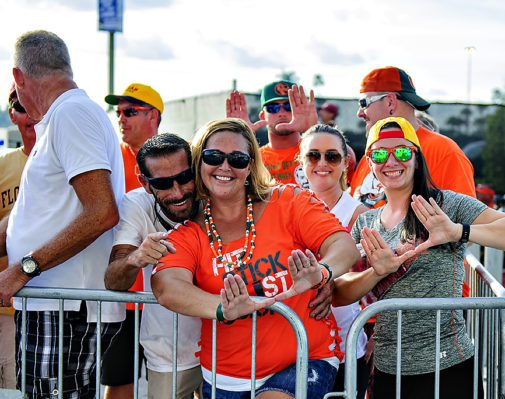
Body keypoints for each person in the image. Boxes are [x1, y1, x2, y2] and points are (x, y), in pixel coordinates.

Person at [151, 118, 360, 398]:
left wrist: (322, 272)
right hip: (225, 376)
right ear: (200, 162)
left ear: (250, 166)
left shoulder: (288, 201)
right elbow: (167, 286)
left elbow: (343, 245)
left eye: (237, 159)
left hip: (303, 358)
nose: (225, 167)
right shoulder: (189, 234)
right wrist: (223, 308)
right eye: (214, 157)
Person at [334, 117, 505, 398]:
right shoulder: (366, 222)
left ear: (416, 159)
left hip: (448, 365)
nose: (391, 161)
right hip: (387, 366)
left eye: (402, 152)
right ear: (370, 164)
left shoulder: (444, 205)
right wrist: (376, 272)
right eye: (379, 154)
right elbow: (339, 294)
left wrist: (457, 231)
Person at [0, 30, 125, 398]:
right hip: (55, 305)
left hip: (63, 308)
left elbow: (102, 212)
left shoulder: (71, 114)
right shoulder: (64, 116)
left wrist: (21, 269)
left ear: (19, 78)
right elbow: (37, 213)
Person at [104, 134, 203, 399]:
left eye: (184, 178)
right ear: (145, 184)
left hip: (228, 348)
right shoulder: (136, 203)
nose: (178, 192)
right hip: (168, 351)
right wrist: (136, 258)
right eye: (162, 184)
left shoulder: (214, 191)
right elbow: (113, 280)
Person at [298, 124, 370, 398]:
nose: (322, 164)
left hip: (347, 346)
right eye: (313, 156)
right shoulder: (286, 206)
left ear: (345, 163)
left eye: (332, 156)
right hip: (294, 346)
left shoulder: (360, 214)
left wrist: (377, 333)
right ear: (302, 162)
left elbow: (381, 280)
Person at [102, 82, 164, 398]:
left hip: (168, 295)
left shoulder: (176, 157)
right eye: (118, 111)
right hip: (122, 293)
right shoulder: (110, 157)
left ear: (153, 115)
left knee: (179, 379)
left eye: (130, 111)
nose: (121, 118)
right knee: (120, 379)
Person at [349, 66, 476, 208]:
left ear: (390, 101)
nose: (359, 113)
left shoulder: (443, 151)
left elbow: (466, 220)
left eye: (364, 103)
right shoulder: (372, 153)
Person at [0, 83, 37, 389]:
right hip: (5, 301)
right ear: (12, 114)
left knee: (17, 386)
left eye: (33, 105)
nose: (29, 115)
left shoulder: (64, 164)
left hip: (43, 300)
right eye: (20, 107)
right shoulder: (3, 165)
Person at [225, 81, 317, 188]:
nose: (281, 113)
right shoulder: (254, 159)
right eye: (273, 108)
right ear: (263, 116)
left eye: (289, 107)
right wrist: (236, 138)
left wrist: (314, 131)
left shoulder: (318, 151)